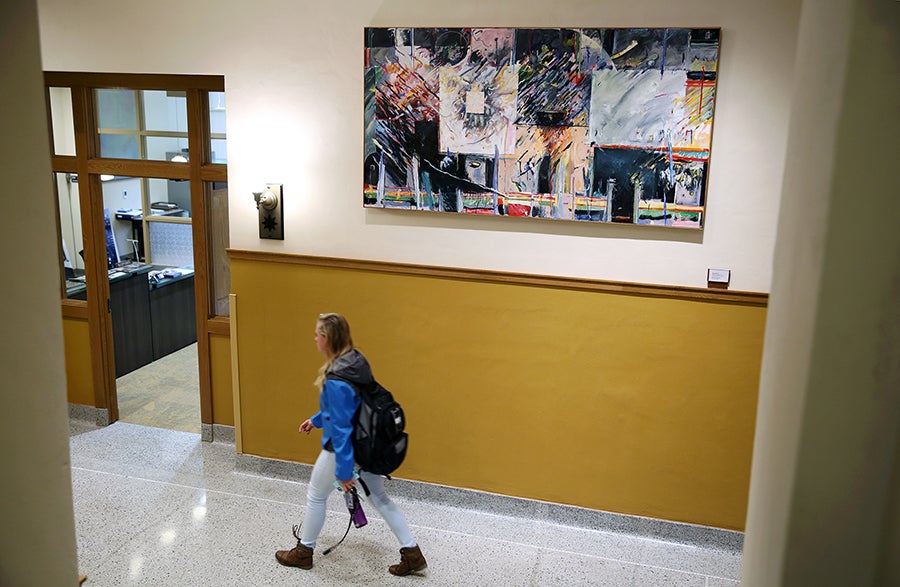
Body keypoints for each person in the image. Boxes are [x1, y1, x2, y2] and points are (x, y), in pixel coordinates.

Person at [276, 313, 427, 576]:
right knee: (380, 498)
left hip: (343, 449)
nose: (314, 338)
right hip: (367, 443)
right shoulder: (356, 361)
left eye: (316, 334)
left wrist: (344, 472)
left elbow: (342, 428)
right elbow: (348, 410)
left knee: (316, 495)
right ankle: (412, 553)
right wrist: (316, 419)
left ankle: (304, 552)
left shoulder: (336, 379)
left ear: (327, 338)